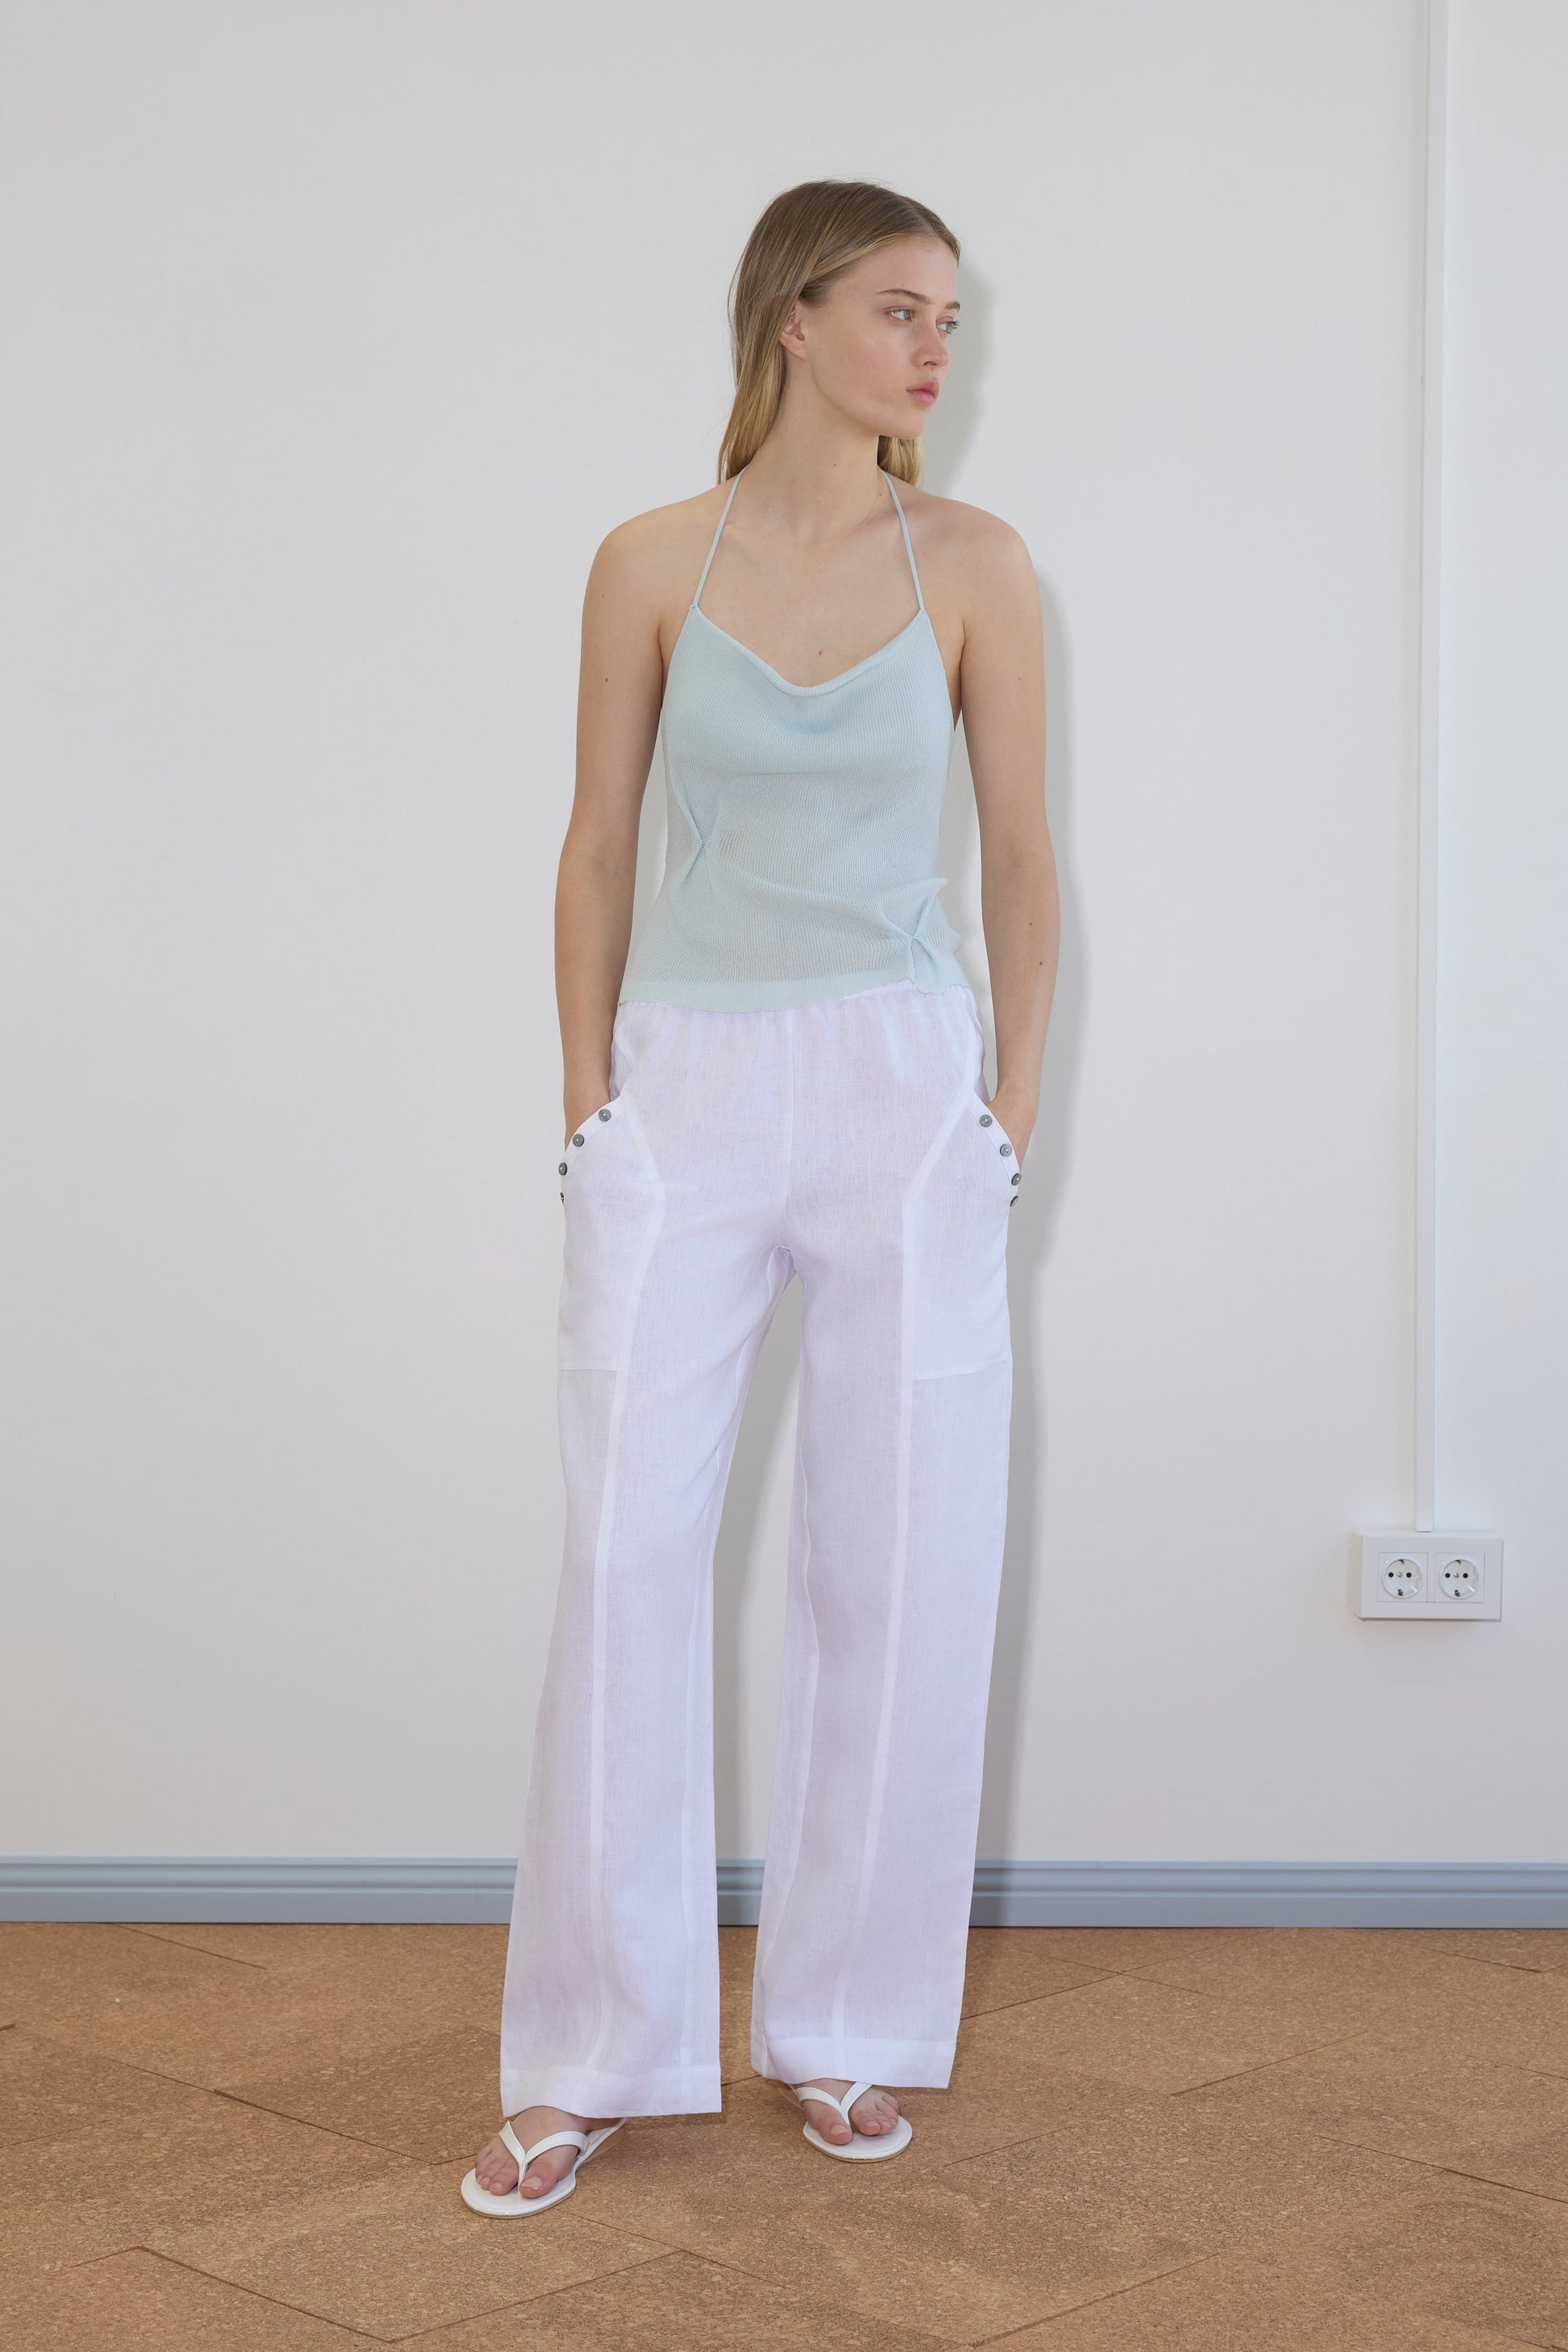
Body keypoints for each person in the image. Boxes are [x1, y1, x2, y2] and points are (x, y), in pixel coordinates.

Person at [463, 176, 1058, 2217]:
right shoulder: (647, 559)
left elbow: (1025, 859)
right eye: (900, 309)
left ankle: (850, 2023)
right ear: (791, 317)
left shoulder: (974, 562)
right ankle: (585, 2050)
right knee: (628, 1552)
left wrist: (1002, 1108)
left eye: (949, 323)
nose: (931, 350)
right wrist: (588, 1102)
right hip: (685, 1082)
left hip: (901, 1082)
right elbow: (598, 842)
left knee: (896, 1563)